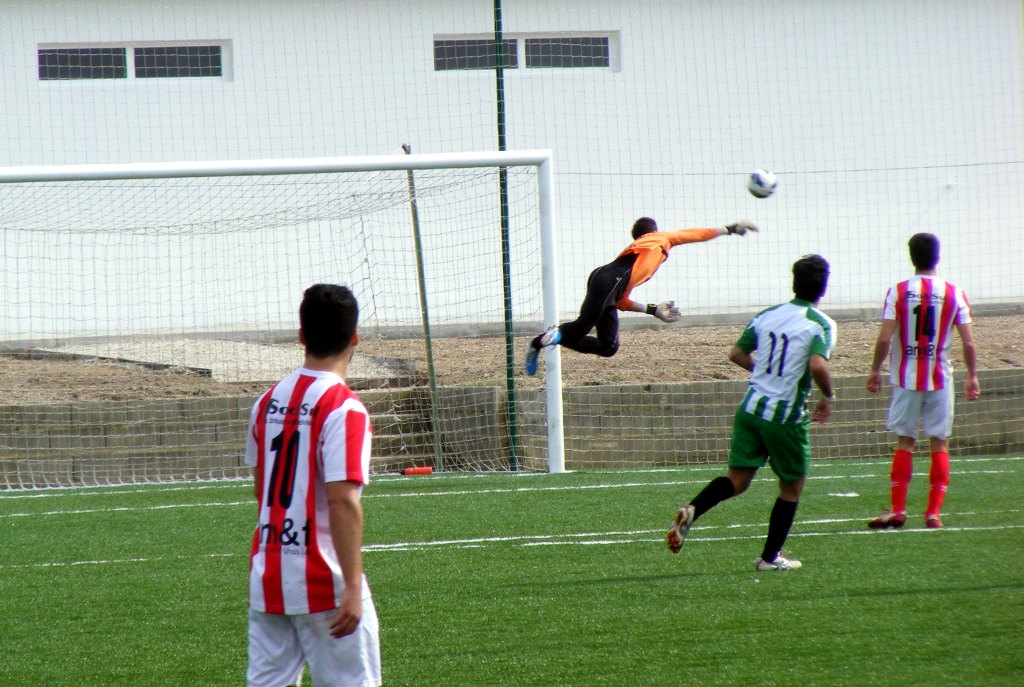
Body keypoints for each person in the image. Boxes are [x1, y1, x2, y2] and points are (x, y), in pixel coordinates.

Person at [245, 284, 382, 687]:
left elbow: (261, 489)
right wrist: (352, 586)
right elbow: (342, 501)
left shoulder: (266, 401)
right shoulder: (345, 408)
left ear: (301, 335)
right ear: (354, 338)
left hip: (269, 573)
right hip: (325, 580)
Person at [666, 254, 837, 571]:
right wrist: (828, 396)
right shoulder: (821, 323)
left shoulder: (768, 315)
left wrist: (766, 372)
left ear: (794, 283)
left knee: (738, 479)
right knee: (792, 488)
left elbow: (736, 354)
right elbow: (817, 365)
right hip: (784, 418)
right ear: (823, 288)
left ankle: (693, 509)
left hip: (751, 408)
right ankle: (770, 558)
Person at [524, 216, 758, 375]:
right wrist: (729, 229)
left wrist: (653, 310)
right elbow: (694, 234)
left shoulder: (641, 256)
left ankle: (549, 339)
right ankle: (547, 338)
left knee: (608, 346)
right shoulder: (659, 239)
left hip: (610, 283)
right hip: (608, 279)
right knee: (583, 325)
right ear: (652, 232)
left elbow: (621, 301)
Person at [865, 233, 979, 530]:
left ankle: (898, 510)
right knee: (939, 442)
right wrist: (972, 375)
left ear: (911, 257)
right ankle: (933, 514)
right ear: (937, 257)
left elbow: (884, 339)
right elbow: (969, 343)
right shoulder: (954, 292)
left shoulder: (898, 291)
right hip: (940, 378)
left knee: (905, 441)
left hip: (906, 378)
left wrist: (875, 370)